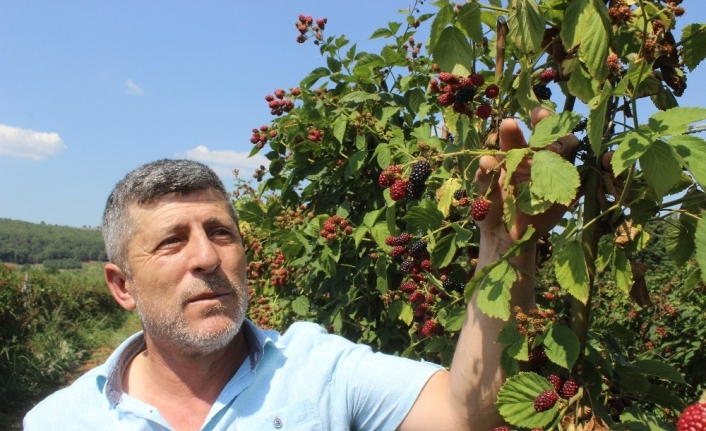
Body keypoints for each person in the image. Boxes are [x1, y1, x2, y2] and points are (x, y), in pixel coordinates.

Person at [23, 107, 578, 431]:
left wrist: (505, 249)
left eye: (221, 233)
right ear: (121, 286)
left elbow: (466, 413)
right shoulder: (57, 422)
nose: (208, 258)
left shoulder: (319, 370)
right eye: (172, 241)